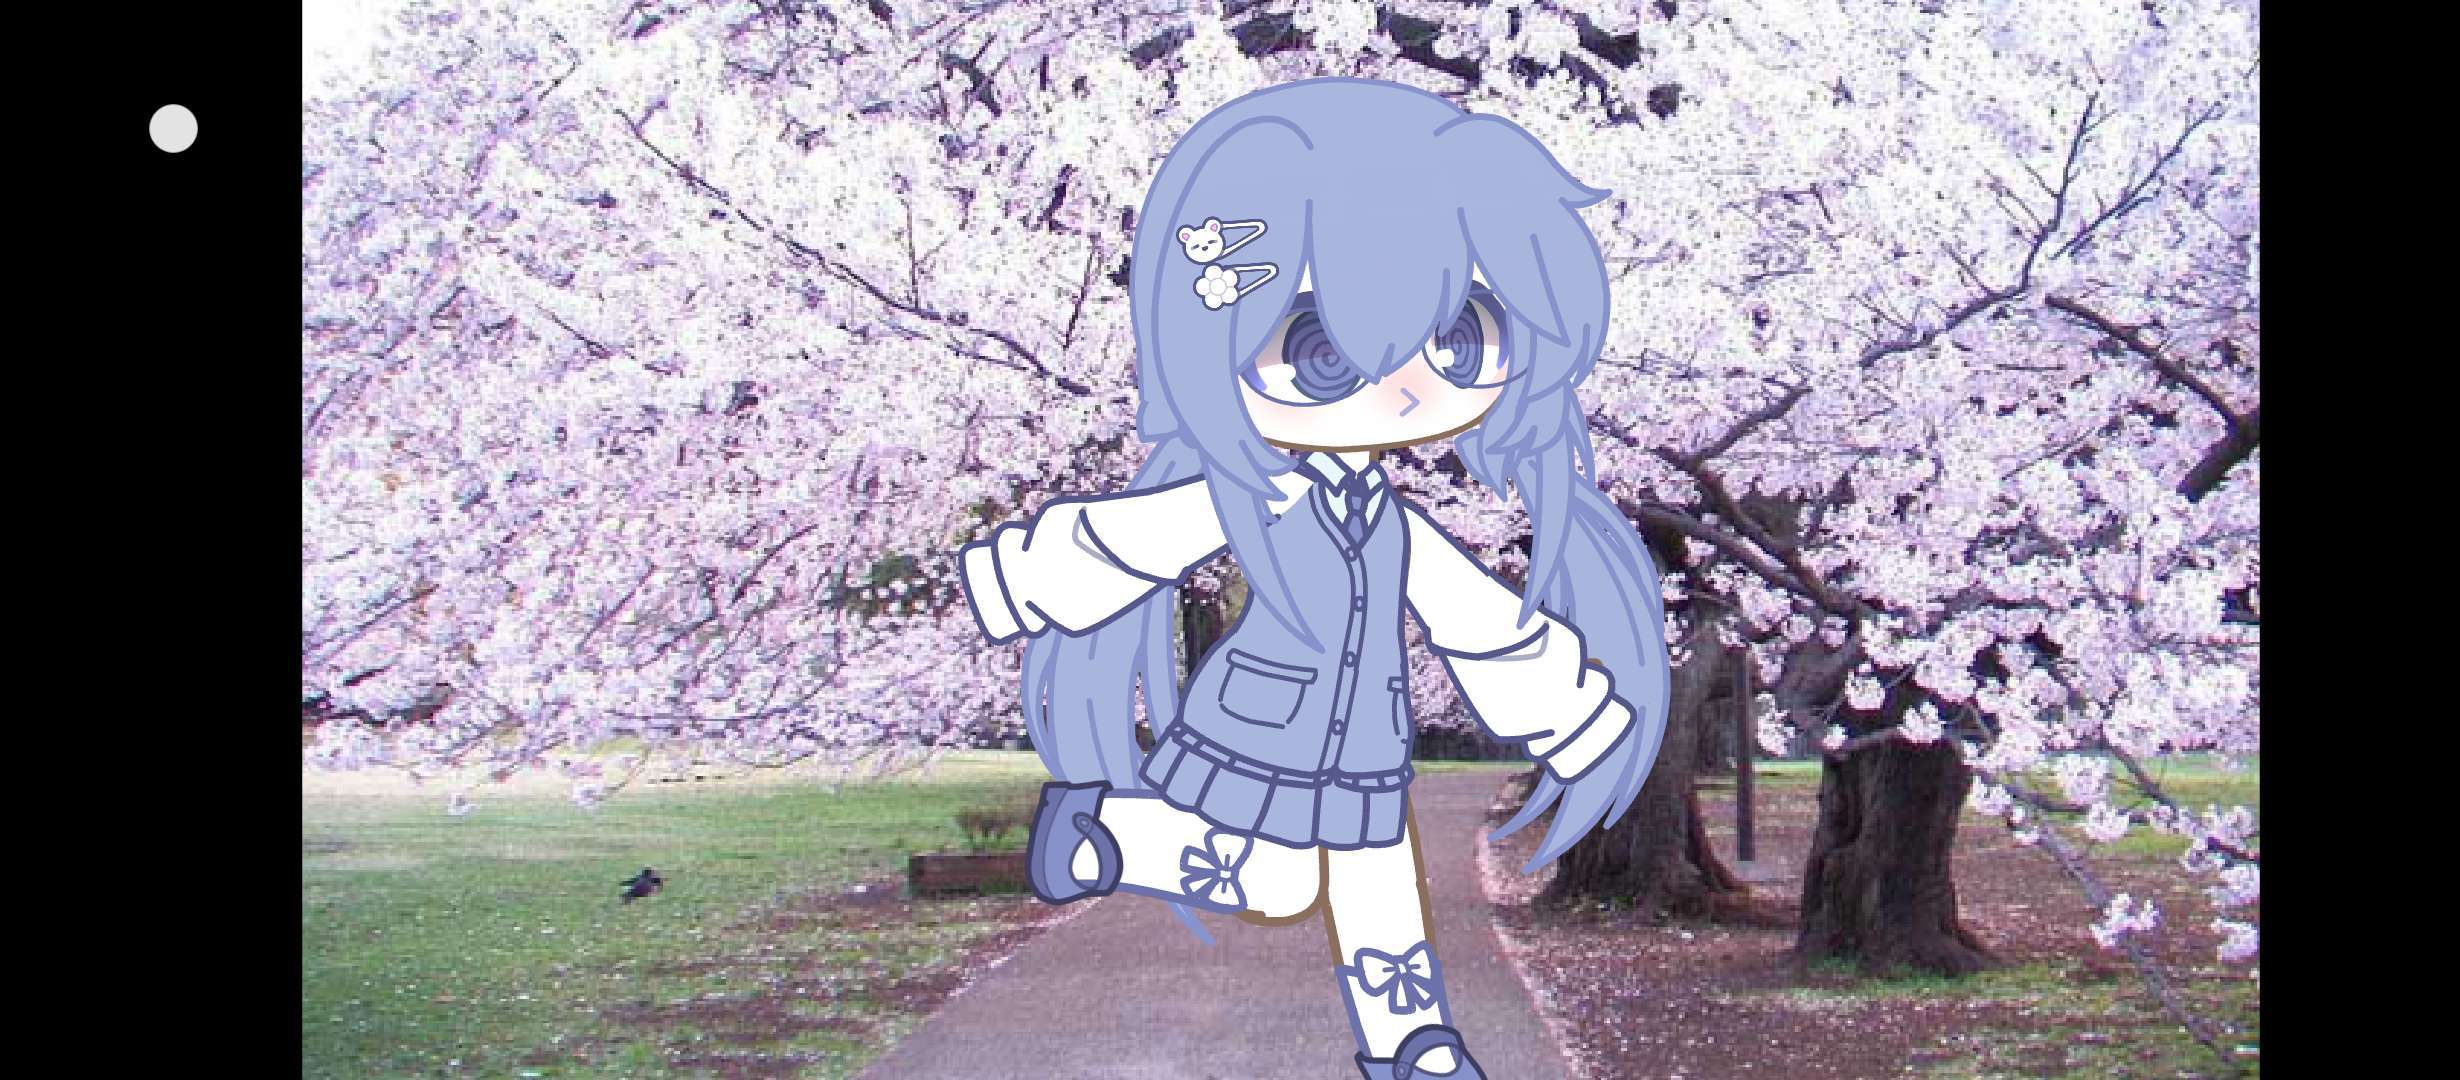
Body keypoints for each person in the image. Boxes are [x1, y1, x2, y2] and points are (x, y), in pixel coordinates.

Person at [956, 77, 1670, 1080]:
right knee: (1285, 882)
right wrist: (1031, 575)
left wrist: (1561, 705)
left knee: (1381, 887)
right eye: (1318, 349)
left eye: (1459, 337)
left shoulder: (1398, 524)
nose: (1404, 384)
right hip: (1264, 725)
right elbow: (1143, 539)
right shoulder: (1253, 494)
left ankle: (1411, 1044)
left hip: (1368, 732)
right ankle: (1109, 836)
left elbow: (1471, 616)